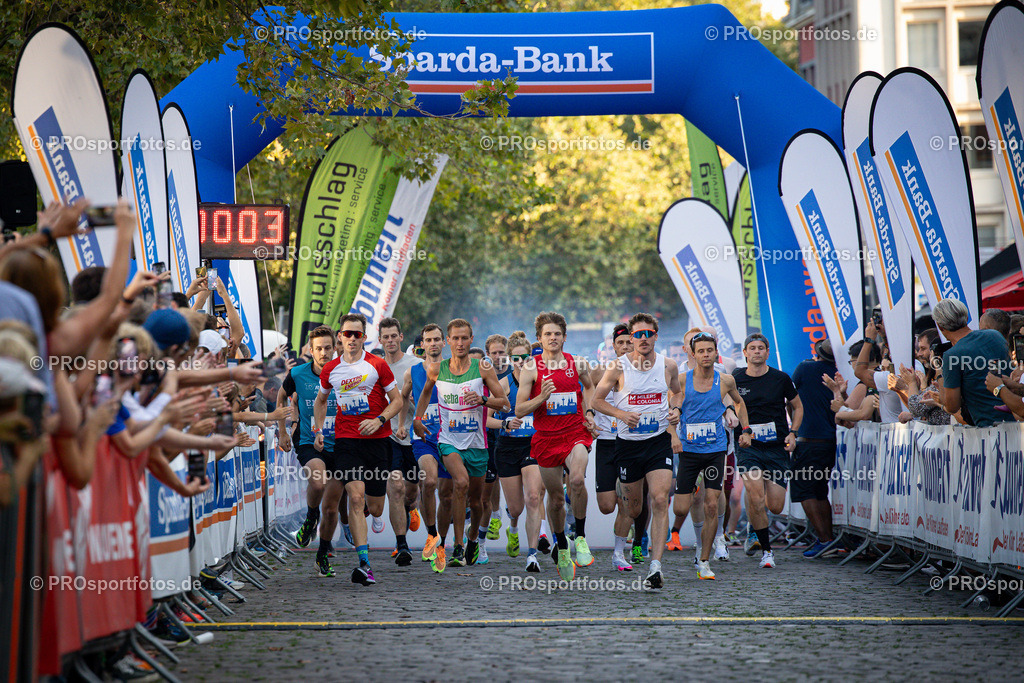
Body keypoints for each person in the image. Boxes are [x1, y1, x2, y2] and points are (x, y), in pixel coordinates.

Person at [313, 313, 404, 586]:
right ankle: (364, 564)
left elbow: (397, 401)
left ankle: (366, 519)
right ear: (339, 336)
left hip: (378, 441)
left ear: (364, 337)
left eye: (357, 334)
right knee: (355, 497)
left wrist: (379, 420)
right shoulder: (331, 370)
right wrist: (319, 430)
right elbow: (320, 401)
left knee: (374, 508)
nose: (352, 339)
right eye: (347, 334)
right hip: (347, 441)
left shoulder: (377, 365)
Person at [592, 313, 681, 589]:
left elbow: (677, 392)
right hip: (628, 445)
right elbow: (596, 400)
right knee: (633, 508)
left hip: (657, 443)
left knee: (659, 498)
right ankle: (623, 546)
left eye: (648, 334)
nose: (643, 339)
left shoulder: (668, 365)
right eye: (638, 334)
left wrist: (675, 409)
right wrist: (621, 413)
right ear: (631, 338)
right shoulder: (617, 367)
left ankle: (655, 566)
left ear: (656, 336)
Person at [413, 319, 509, 567]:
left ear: (471, 339)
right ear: (448, 341)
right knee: (460, 483)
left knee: (477, 502)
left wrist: (482, 400)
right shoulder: (436, 369)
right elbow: (425, 393)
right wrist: (417, 419)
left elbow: (504, 403)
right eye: (455, 338)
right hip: (448, 442)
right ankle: (457, 546)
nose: (459, 343)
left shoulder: (483, 367)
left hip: (477, 444)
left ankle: (473, 538)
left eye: (464, 338)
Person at [515, 311, 598, 581]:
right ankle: (562, 544)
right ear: (539, 338)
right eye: (548, 334)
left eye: (557, 334)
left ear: (564, 337)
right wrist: (542, 396)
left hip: (575, 433)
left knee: (575, 479)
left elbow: (589, 388)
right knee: (556, 498)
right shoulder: (531, 368)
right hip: (546, 439)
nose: (553, 338)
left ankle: (581, 537)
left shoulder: (578, 363)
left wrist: (589, 413)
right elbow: (518, 410)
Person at [673, 331, 750, 580]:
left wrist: (745, 429)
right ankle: (698, 542)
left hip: (715, 450)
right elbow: (670, 408)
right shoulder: (682, 381)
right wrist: (673, 431)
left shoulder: (725, 380)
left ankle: (704, 561)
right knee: (680, 507)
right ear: (692, 354)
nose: (706, 355)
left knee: (711, 503)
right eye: (701, 351)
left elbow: (739, 403)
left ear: (716, 353)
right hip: (689, 452)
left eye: (710, 350)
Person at [733, 333, 801, 569]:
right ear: (745, 353)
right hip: (748, 446)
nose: (757, 352)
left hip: (776, 448)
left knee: (775, 506)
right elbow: (727, 405)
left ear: (767, 352)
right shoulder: (736, 378)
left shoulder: (780, 378)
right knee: (755, 494)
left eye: (761, 348)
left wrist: (793, 433)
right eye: (752, 348)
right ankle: (767, 551)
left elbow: (798, 407)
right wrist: (738, 425)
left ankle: (754, 524)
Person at [278, 326, 339, 567]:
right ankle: (311, 516)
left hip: (341, 444)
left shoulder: (344, 373)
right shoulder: (298, 374)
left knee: (332, 508)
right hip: (308, 442)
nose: (323, 353)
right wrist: (283, 429)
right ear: (310, 351)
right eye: (319, 349)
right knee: (317, 481)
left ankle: (323, 552)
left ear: (335, 348)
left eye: (327, 348)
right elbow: (282, 395)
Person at [490, 331, 544, 570]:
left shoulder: (540, 381)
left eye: (525, 358)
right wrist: (504, 422)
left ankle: (532, 554)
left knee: (533, 497)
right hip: (508, 447)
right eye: (516, 359)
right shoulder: (503, 385)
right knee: (516, 507)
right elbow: (485, 419)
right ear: (510, 360)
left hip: (533, 446)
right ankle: (513, 527)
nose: (521, 363)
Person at [402, 323, 452, 573]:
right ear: (421, 345)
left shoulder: (455, 369)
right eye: (427, 340)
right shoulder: (412, 371)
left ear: (444, 342)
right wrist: (402, 424)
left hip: (452, 437)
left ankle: (442, 542)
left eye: (436, 339)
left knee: (447, 494)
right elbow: (402, 398)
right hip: (423, 436)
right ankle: (431, 534)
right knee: (428, 481)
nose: (432, 344)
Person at [590, 324, 641, 567]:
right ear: (613, 347)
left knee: (628, 503)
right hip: (606, 444)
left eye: (628, 343)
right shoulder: (600, 371)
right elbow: (586, 395)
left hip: (630, 443)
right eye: (620, 344)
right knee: (607, 505)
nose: (624, 347)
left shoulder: (642, 370)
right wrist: (587, 416)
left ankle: (619, 553)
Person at [790, 339, 843, 558]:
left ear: (817, 352)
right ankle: (827, 538)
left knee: (805, 490)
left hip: (809, 439)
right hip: (829, 440)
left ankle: (825, 540)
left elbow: (789, 395)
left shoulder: (806, 368)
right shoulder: (838, 372)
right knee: (820, 491)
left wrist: (794, 423)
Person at [380, 317, 422, 566]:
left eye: (394, 336)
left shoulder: (416, 365)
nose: (390, 341)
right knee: (395, 487)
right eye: (386, 337)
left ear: (401, 337)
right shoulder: (373, 366)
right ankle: (401, 544)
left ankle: (412, 506)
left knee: (411, 491)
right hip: (389, 436)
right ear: (380, 340)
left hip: (415, 435)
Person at [934, 299, 1013, 427]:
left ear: (940, 326)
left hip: (989, 427)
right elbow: (1001, 369)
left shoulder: (952, 355)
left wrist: (939, 376)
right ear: (965, 317)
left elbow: (952, 406)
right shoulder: (994, 335)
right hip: (1017, 417)